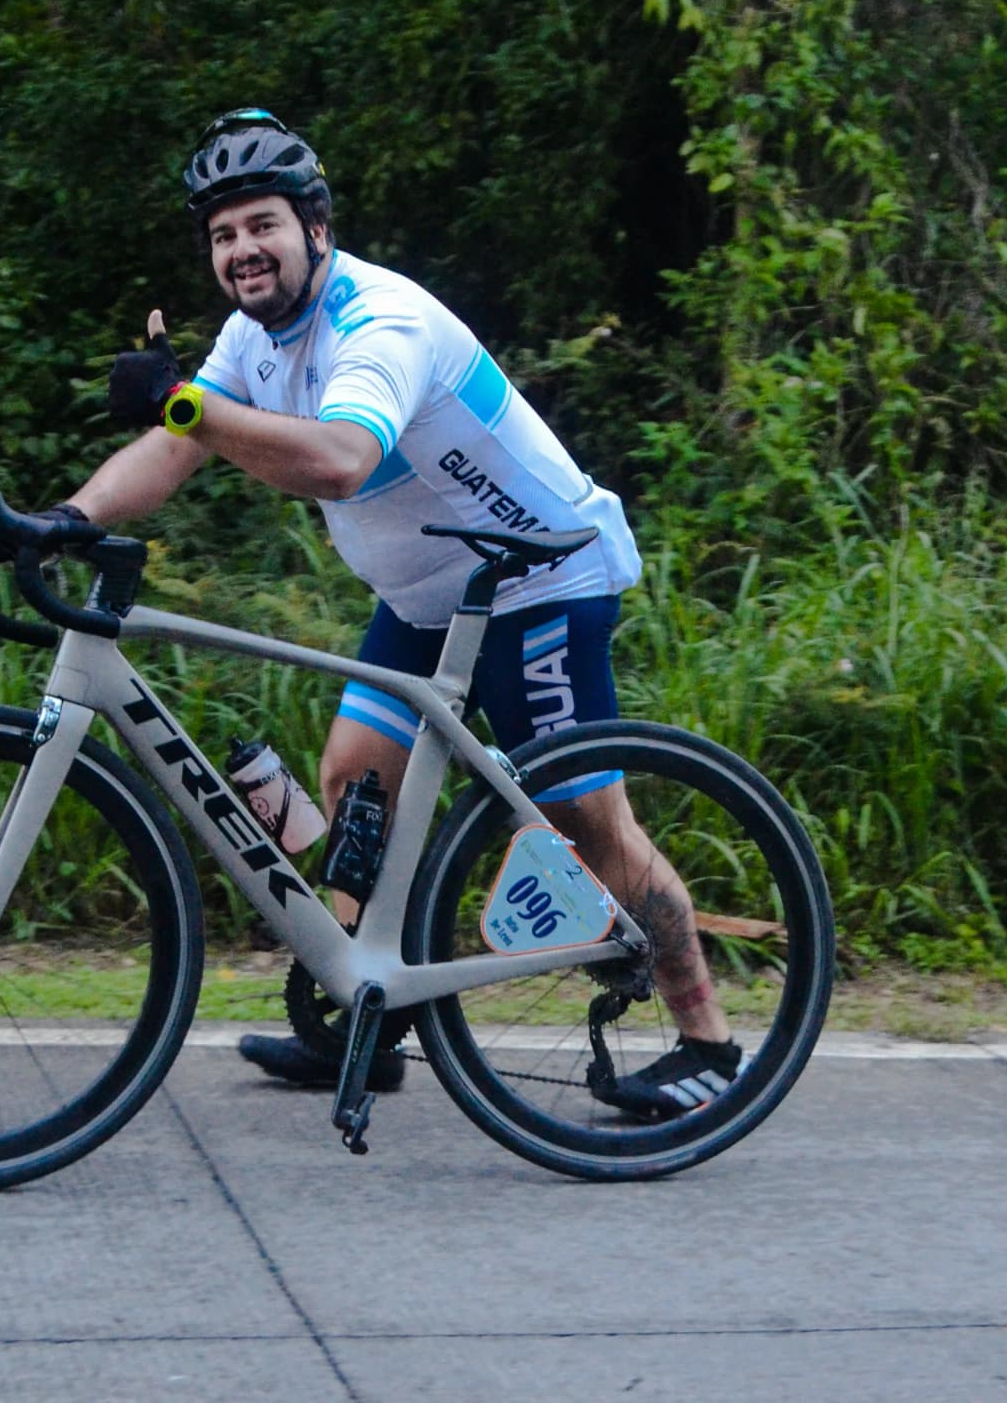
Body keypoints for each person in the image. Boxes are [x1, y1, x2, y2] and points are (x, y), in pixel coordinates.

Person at [39, 108, 739, 1118]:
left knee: (587, 820)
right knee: (355, 777)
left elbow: (338, 457)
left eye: (262, 226)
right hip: (425, 595)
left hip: (538, 577)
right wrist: (61, 518)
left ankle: (707, 1043)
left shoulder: (381, 323)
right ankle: (362, 1020)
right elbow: (173, 448)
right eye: (224, 234)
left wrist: (184, 400)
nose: (242, 250)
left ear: (315, 228)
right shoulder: (252, 335)